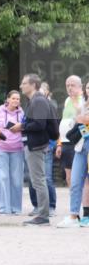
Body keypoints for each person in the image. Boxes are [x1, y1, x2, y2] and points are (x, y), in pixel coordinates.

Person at [11, 74, 57, 226]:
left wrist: (21, 127)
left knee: (38, 180)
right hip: (34, 144)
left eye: (24, 83)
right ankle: (42, 213)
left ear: (33, 85)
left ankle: (43, 216)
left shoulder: (38, 100)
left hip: (37, 145)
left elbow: (39, 124)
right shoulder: (35, 100)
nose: (21, 86)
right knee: (37, 180)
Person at [56, 79, 89, 228]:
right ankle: (73, 215)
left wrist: (83, 119)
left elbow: (83, 119)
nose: (88, 90)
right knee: (75, 182)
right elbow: (77, 121)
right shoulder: (81, 103)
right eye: (88, 88)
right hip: (80, 146)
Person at [0, 90, 25, 216]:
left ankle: (16, 208)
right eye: (13, 98)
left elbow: (26, 126)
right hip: (1, 147)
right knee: (2, 178)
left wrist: (21, 126)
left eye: (18, 99)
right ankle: (3, 208)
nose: (16, 101)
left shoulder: (22, 113)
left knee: (16, 179)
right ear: (7, 99)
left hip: (17, 148)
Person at [57, 75, 85, 188]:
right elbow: (63, 122)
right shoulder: (67, 100)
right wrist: (59, 143)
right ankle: (74, 202)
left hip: (78, 142)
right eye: (67, 85)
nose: (69, 88)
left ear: (80, 86)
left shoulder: (84, 100)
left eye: (72, 85)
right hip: (65, 143)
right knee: (68, 176)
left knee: (79, 176)